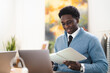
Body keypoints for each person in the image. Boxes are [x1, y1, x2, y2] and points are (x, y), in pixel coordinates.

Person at [52, 6, 108, 73]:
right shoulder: (59, 40)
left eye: (69, 22)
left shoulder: (91, 40)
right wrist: (52, 65)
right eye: (63, 24)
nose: (66, 26)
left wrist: (81, 67)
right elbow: (57, 65)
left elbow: (103, 67)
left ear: (77, 20)